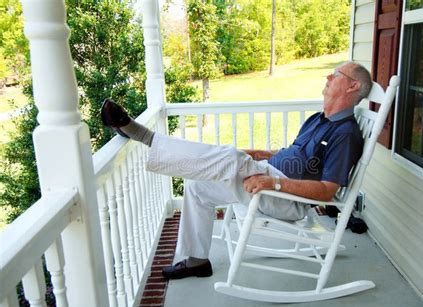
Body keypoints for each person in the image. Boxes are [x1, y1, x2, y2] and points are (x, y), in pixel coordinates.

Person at [101, 61, 372, 280]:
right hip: (270, 174)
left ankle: (143, 136)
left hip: (288, 198)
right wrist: (261, 154)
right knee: (198, 186)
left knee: (231, 158)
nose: (327, 77)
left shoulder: (345, 134)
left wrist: (272, 184)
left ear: (352, 86)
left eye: (336, 74)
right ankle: (197, 261)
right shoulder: (318, 119)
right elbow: (293, 154)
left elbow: (326, 191)